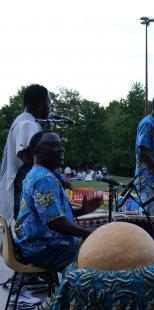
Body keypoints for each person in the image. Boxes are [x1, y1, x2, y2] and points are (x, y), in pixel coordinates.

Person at [14, 131, 103, 272]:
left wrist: (83, 210)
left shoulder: (40, 174)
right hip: (42, 248)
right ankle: (75, 292)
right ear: (36, 151)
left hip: (39, 245)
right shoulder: (44, 179)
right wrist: (91, 233)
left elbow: (55, 216)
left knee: (96, 251)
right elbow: (55, 223)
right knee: (100, 259)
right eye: (54, 145)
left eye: (61, 144)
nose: (61, 149)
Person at [0, 84, 50, 224]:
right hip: (20, 193)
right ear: (40, 104)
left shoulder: (21, 120)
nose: (49, 107)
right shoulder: (28, 124)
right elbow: (29, 160)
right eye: (48, 103)